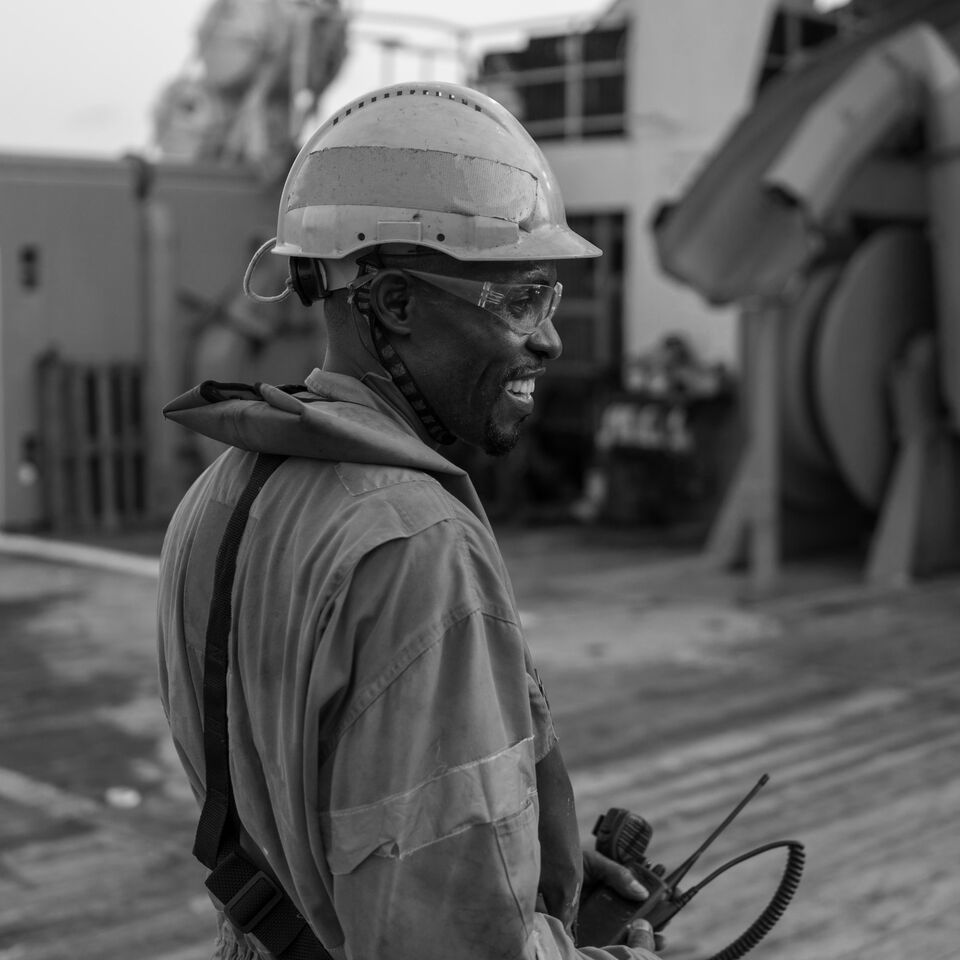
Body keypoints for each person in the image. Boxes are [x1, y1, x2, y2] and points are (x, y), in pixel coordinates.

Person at [157, 81, 662, 960]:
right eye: (520, 299)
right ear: (392, 303)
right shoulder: (417, 548)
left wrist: (513, 851)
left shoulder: (219, 498)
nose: (549, 339)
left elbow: (323, 812)